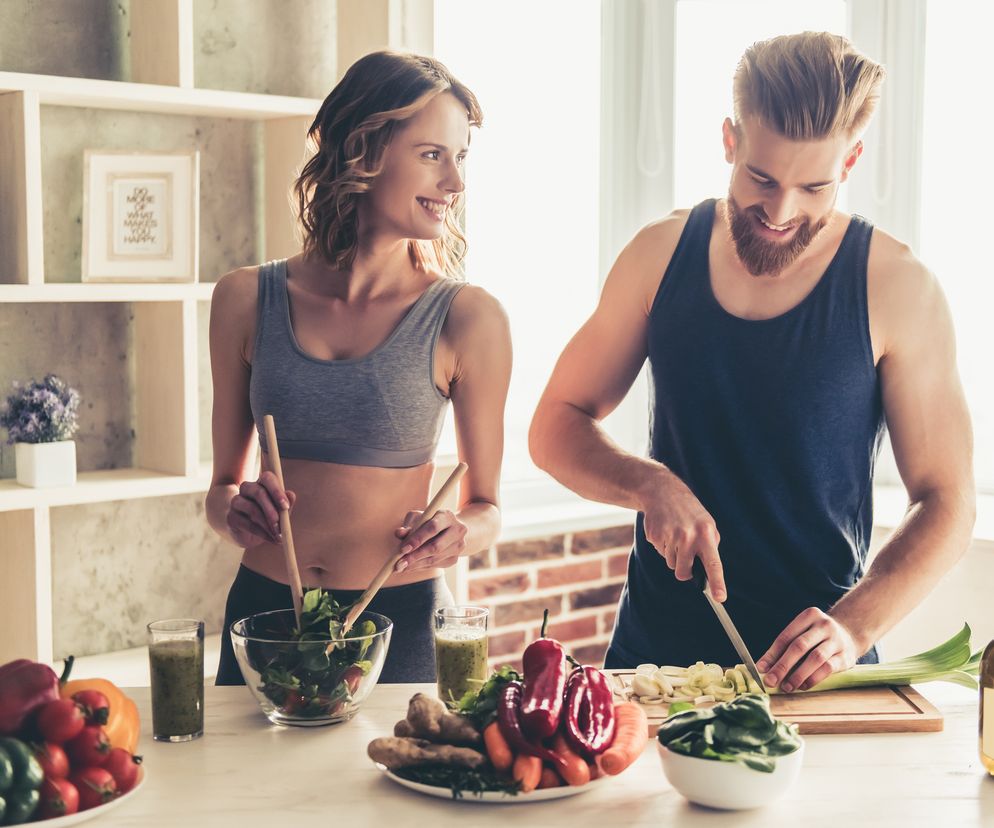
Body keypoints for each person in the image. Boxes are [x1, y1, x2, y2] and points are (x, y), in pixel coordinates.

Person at [529, 32, 975, 692]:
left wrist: (853, 628)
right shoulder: (657, 255)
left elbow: (949, 502)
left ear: (849, 162)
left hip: (812, 677)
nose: (780, 211)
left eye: (813, 187)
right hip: (653, 667)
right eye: (761, 179)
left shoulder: (898, 287)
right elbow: (554, 426)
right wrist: (648, 483)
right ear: (729, 141)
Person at [206, 51, 511, 684]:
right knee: (249, 788)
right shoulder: (243, 299)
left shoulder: (467, 318)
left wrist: (459, 534)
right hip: (264, 615)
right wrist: (235, 510)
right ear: (362, 150)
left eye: (461, 158)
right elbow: (220, 493)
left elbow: (486, 506)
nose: (455, 183)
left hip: (398, 621)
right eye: (433, 155)